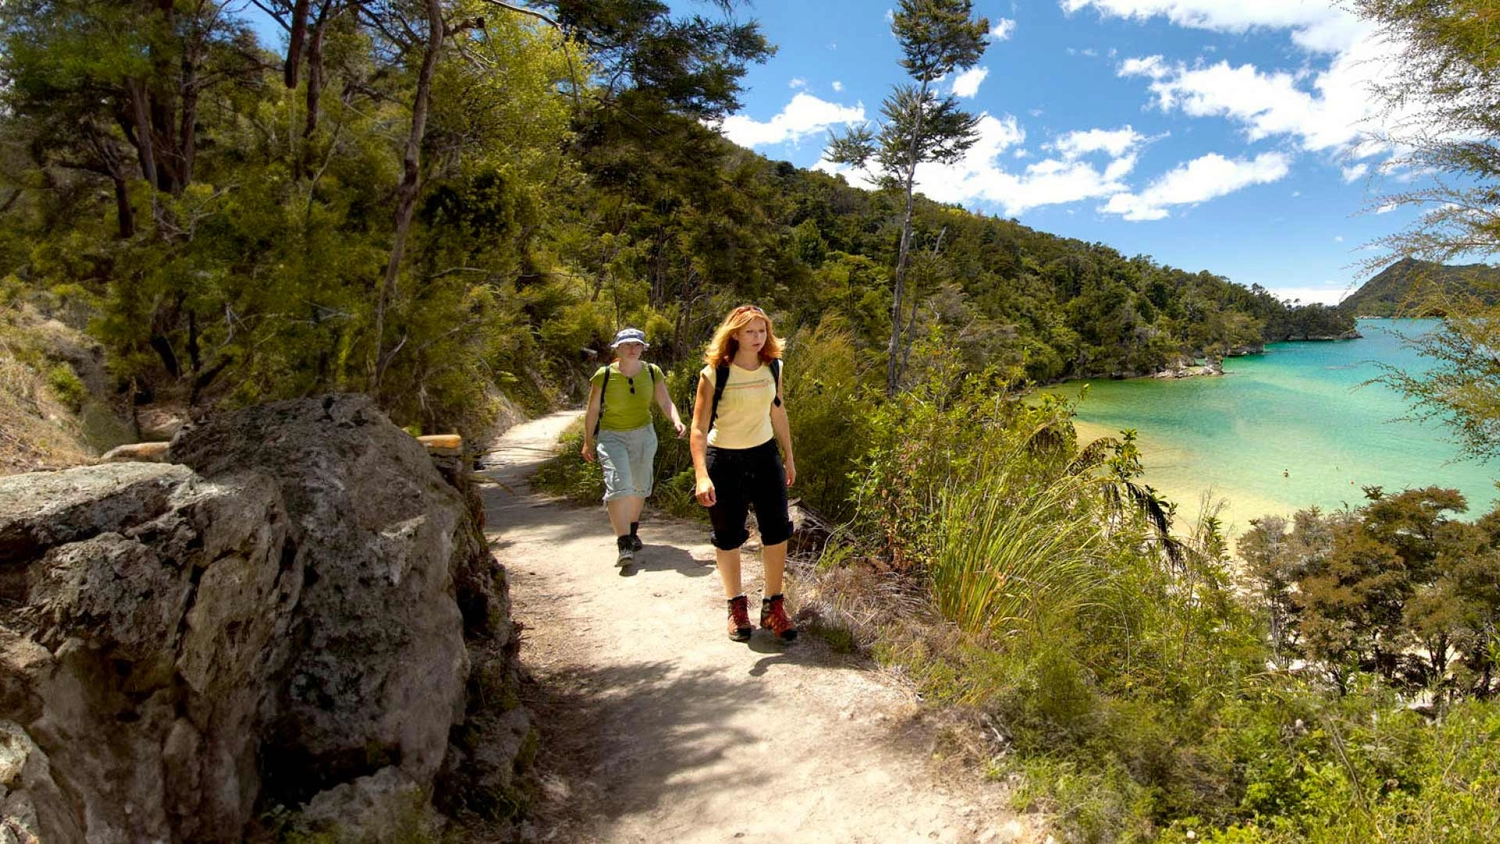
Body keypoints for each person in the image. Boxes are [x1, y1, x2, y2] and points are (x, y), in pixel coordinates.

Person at [689, 305, 798, 643]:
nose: (757, 338)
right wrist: (701, 475)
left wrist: (789, 457)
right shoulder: (714, 374)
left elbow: (777, 412)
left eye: (762, 331)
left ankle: (773, 606)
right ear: (734, 334)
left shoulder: (773, 367)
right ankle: (736, 607)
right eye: (750, 331)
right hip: (725, 460)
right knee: (728, 535)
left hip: (765, 456)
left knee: (777, 531)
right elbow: (698, 428)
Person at [582, 328, 686, 566]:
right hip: (612, 437)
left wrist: (676, 420)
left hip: (643, 434)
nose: (632, 349)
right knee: (619, 484)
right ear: (617, 348)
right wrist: (588, 440)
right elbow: (593, 410)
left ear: (643, 348)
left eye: (637, 345)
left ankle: (632, 529)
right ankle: (624, 543)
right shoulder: (604, 374)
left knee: (639, 485)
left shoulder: (652, 371)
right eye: (627, 345)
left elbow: (664, 401)